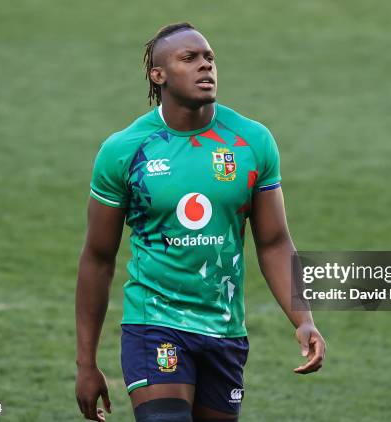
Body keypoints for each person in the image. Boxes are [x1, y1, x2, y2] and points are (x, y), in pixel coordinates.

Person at [75, 22, 326, 422]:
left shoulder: (251, 141)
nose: (204, 66)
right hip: (154, 322)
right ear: (159, 76)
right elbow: (97, 258)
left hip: (224, 330)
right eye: (189, 58)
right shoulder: (124, 150)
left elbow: (275, 243)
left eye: (209, 57)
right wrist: (85, 363)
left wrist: (304, 320)